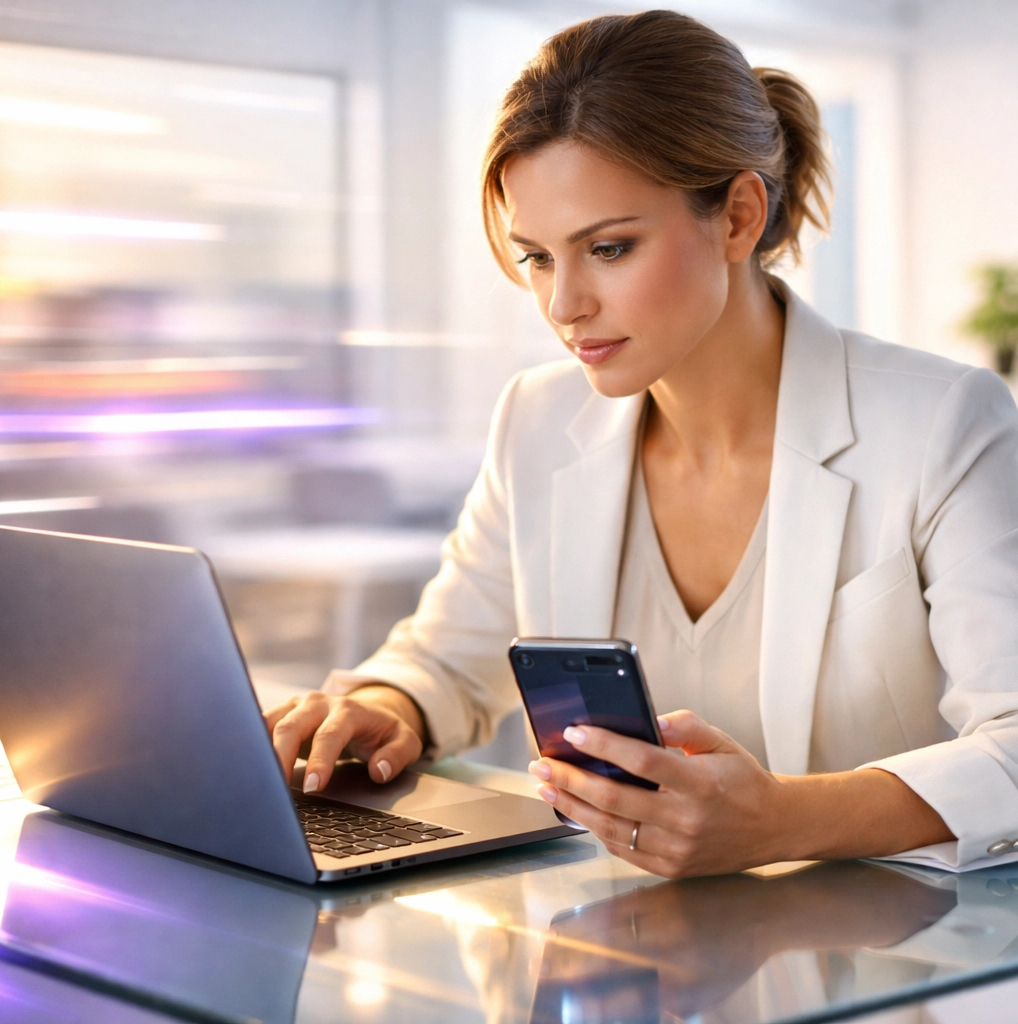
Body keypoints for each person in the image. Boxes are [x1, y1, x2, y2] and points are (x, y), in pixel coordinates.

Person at [266, 9, 1018, 876]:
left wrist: (785, 820)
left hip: (890, 975)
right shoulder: (538, 423)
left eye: (610, 248)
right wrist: (388, 704)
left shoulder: (941, 422)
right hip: (615, 962)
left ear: (739, 217)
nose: (563, 305)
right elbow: (446, 658)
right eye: (539, 257)